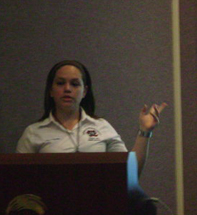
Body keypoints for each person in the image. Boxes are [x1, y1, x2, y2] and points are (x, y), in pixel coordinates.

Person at [16, 60, 166, 175]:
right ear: (51, 90)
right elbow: (17, 179)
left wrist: (145, 132)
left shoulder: (101, 127)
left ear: (84, 92)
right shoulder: (34, 132)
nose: (67, 89)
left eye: (75, 84)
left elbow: (130, 172)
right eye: (61, 83)